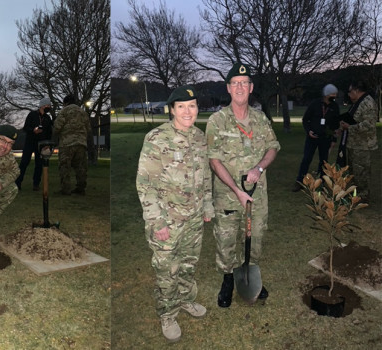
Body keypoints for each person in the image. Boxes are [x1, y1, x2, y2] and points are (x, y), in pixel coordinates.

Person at [136, 85, 214, 342]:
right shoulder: (157, 138)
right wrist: (156, 221)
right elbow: (145, 184)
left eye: (192, 106)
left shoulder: (200, 137)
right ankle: (167, 313)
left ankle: (185, 301)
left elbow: (205, 177)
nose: (187, 111)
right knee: (167, 270)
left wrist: (207, 205)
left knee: (189, 264)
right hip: (167, 220)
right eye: (181, 106)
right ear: (171, 110)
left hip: (193, 218)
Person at [205, 63, 280, 308]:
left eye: (244, 82)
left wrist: (259, 168)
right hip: (228, 196)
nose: (239, 87)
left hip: (257, 195)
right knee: (226, 240)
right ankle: (228, 278)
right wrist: (237, 191)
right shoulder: (217, 121)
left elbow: (273, 147)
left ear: (251, 88)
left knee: (255, 236)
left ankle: (250, 273)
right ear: (228, 88)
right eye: (235, 83)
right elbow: (214, 160)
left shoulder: (260, 119)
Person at [292, 84, 340, 192]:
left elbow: (335, 125)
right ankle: (300, 181)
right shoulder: (315, 104)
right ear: (326, 94)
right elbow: (305, 120)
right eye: (333, 94)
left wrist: (333, 139)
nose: (334, 96)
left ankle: (322, 183)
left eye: (335, 94)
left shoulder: (334, 107)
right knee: (306, 159)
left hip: (326, 138)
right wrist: (308, 131)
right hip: (312, 138)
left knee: (324, 162)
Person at [339, 80, 378, 203]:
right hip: (354, 144)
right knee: (353, 171)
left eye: (350, 92)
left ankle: (363, 196)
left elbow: (369, 126)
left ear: (356, 90)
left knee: (361, 171)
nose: (349, 95)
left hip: (363, 145)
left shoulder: (368, 103)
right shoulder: (357, 103)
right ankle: (355, 194)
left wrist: (349, 127)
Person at [53, 94, 91, 195]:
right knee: (80, 167)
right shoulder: (83, 112)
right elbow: (89, 128)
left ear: (65, 103)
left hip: (67, 143)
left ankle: (66, 189)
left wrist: (55, 135)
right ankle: (81, 188)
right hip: (81, 143)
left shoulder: (64, 111)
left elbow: (57, 127)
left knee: (65, 166)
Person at [15, 97, 53, 191]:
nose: (49, 107)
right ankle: (17, 183)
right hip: (30, 142)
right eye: (47, 105)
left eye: (49, 106)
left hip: (41, 144)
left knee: (39, 164)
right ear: (42, 106)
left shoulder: (48, 118)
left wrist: (48, 143)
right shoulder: (32, 115)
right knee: (24, 162)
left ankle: (36, 184)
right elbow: (25, 128)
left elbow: (49, 132)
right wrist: (33, 130)